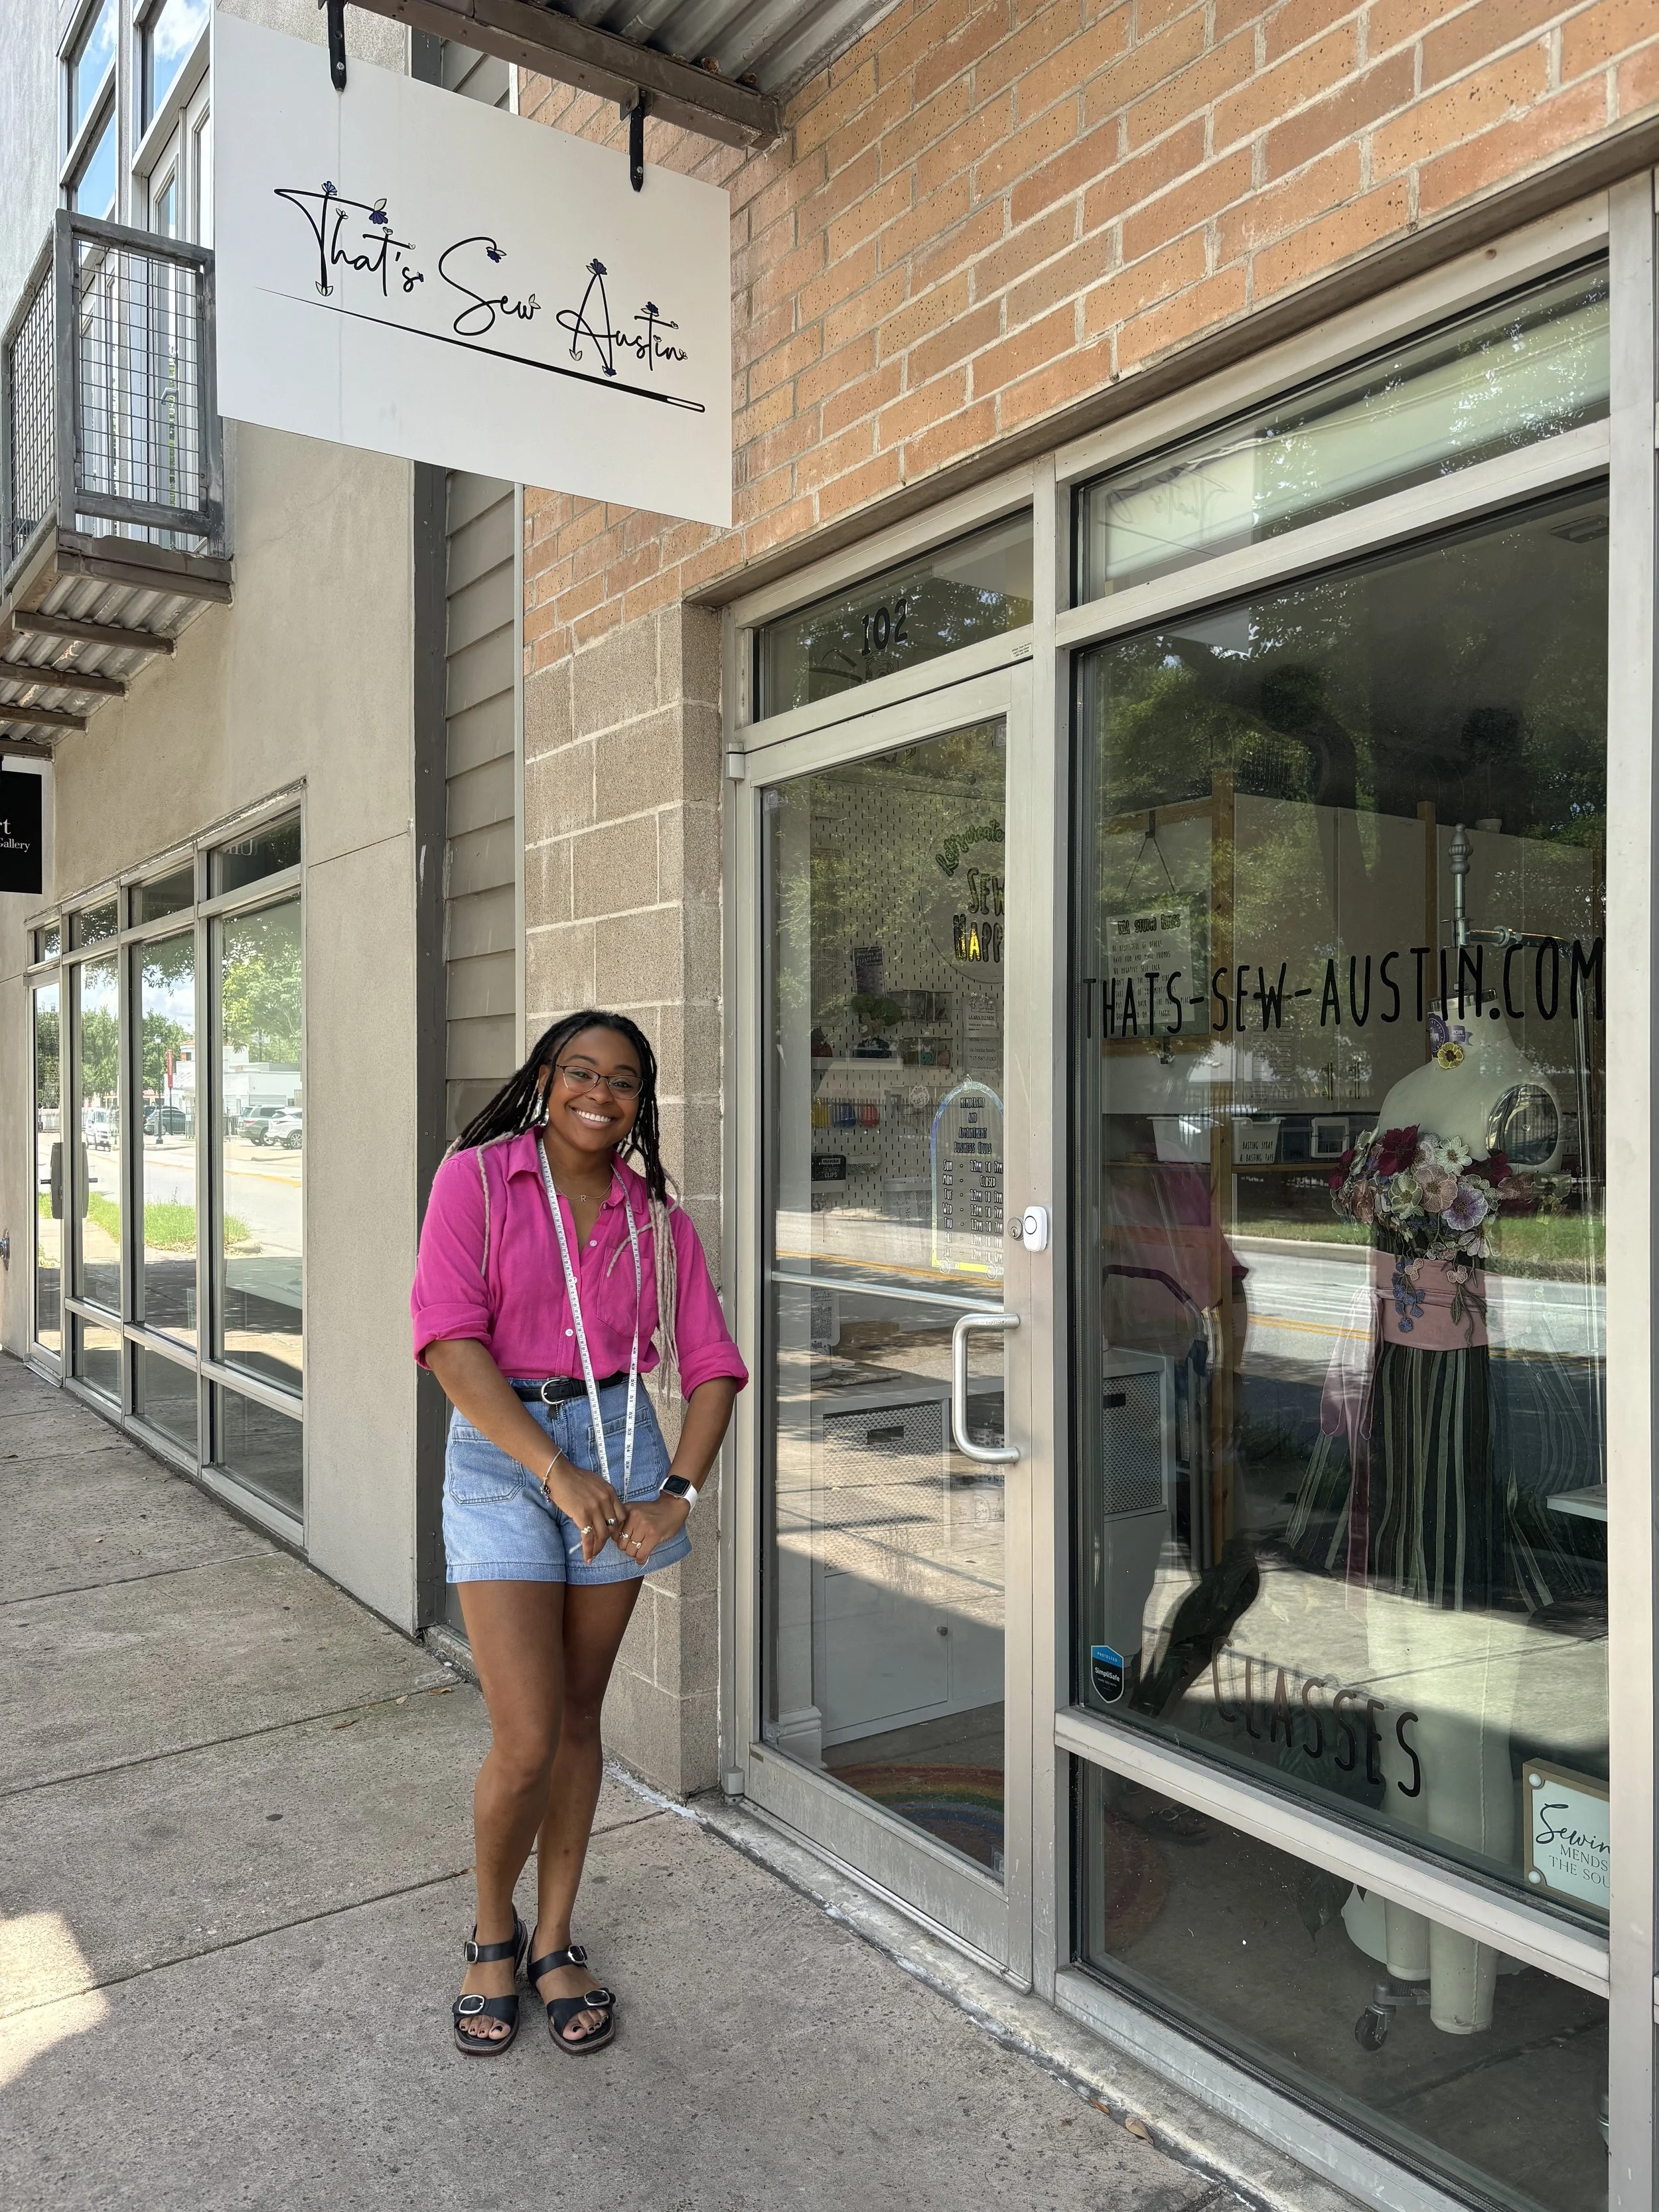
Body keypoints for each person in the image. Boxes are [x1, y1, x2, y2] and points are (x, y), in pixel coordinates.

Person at [411, 1011, 746, 2055]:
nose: (601, 1094)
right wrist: (553, 1471)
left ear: (643, 1102)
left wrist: (677, 1494)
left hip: (620, 1444)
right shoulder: (477, 1180)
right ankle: (493, 1932)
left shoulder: (657, 1222)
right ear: (546, 1078)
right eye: (582, 1072)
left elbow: (712, 1365)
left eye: (625, 1081)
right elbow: (448, 1342)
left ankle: (554, 1938)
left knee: (579, 1716)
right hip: (503, 1450)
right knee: (526, 1735)